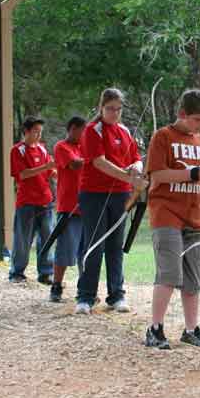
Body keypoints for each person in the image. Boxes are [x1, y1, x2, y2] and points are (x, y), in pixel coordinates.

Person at [144, 89, 200, 350]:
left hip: (194, 216)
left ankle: (191, 330)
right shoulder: (163, 137)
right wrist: (194, 174)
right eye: (196, 119)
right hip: (166, 213)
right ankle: (155, 328)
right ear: (182, 114)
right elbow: (158, 176)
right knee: (169, 273)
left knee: (193, 277)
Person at [76, 89, 143, 314]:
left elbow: (135, 157)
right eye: (110, 108)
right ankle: (85, 296)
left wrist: (136, 168)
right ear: (101, 108)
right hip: (94, 194)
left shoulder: (124, 131)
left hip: (120, 194)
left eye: (118, 109)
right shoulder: (92, 131)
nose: (114, 113)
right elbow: (99, 162)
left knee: (115, 245)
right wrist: (128, 177)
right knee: (95, 244)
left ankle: (116, 295)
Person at [9, 116, 56, 285]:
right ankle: (17, 272)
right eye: (35, 131)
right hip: (27, 201)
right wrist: (45, 167)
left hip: (45, 200)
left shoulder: (43, 150)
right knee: (23, 239)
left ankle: (46, 272)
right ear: (26, 131)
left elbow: (50, 172)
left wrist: (55, 172)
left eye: (40, 132)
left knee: (47, 237)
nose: (38, 135)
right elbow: (22, 174)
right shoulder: (17, 150)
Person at [51, 117, 87, 304]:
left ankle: (85, 288)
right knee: (66, 248)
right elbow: (74, 164)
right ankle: (56, 285)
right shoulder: (61, 147)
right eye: (82, 131)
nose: (84, 136)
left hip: (87, 206)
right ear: (72, 129)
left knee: (86, 250)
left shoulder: (84, 147)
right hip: (69, 206)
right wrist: (94, 160)